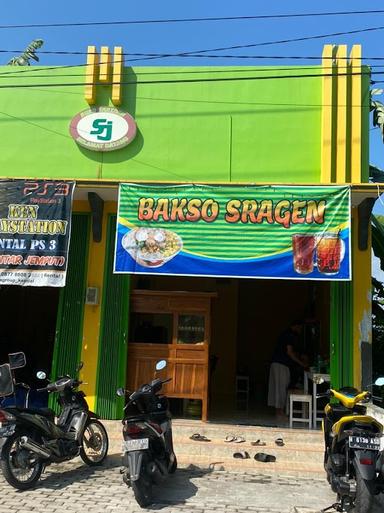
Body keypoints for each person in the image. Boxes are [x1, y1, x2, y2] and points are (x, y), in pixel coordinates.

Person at [267, 320, 306, 419]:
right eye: (300, 328)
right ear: (296, 326)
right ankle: (279, 413)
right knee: (281, 388)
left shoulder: (284, 334)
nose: (300, 330)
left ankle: (278, 411)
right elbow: (289, 352)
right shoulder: (290, 335)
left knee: (277, 388)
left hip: (276, 363)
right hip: (281, 364)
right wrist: (301, 363)